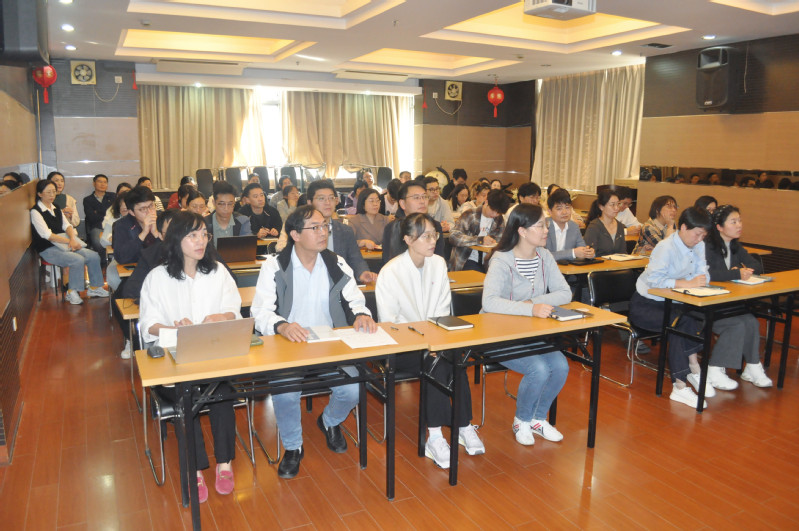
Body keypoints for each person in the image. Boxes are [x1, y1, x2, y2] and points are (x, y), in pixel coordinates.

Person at [251, 205, 377, 479]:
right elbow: (259, 312)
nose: (323, 232)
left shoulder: (335, 262)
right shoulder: (275, 266)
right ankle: (293, 447)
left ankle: (329, 421)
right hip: (288, 345)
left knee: (353, 389)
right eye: (315, 227)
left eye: (325, 226)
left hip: (327, 344)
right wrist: (282, 326)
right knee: (286, 394)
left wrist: (361, 314)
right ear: (295, 235)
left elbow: (355, 299)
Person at [139, 211, 241, 503]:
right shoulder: (157, 278)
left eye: (204, 235)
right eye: (193, 235)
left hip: (213, 356)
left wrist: (222, 316)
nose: (201, 241)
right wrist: (172, 328)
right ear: (176, 239)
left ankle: (224, 463)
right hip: (174, 361)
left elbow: (234, 310)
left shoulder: (218, 271)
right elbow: (148, 325)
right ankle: (194, 468)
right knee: (187, 396)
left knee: (222, 392)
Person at [376, 213, 484, 468]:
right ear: (407, 239)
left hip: (435, 340)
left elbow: (443, 310)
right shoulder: (390, 272)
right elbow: (390, 324)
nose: (433, 240)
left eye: (434, 234)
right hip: (402, 347)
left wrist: (436, 343)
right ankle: (435, 436)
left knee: (454, 358)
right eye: (425, 236)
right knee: (436, 362)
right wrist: (427, 345)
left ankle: (463, 426)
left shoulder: (438, 263)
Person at [482, 204, 570, 445]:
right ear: (522, 231)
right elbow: (489, 302)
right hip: (497, 334)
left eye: (546, 225)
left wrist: (534, 302)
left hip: (530, 332)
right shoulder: (501, 260)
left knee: (560, 366)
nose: (546, 230)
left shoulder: (545, 256)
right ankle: (521, 420)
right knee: (538, 369)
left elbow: (565, 292)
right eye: (540, 225)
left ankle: (537, 419)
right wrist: (530, 309)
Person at [629, 207, 714, 408]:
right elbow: (655, 281)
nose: (700, 239)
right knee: (678, 323)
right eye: (697, 234)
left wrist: (699, 280)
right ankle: (680, 385)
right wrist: (687, 283)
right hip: (646, 305)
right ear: (683, 227)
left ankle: (692, 369)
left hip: (674, 303)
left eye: (703, 235)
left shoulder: (698, 245)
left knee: (690, 318)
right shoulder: (665, 247)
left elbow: (703, 274)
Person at [705, 204, 772, 387]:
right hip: (709, 303)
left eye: (739, 220)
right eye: (733, 222)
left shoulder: (735, 246)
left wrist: (745, 270)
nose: (739, 225)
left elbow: (756, 265)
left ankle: (752, 366)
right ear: (719, 227)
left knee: (751, 321)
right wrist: (735, 273)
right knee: (737, 324)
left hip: (728, 301)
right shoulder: (708, 247)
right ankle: (714, 369)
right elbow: (708, 275)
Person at [277, 180, 377, 283]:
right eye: (321, 198)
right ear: (309, 202)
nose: (328, 203)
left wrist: (362, 273)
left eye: (331, 198)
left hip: (336, 284)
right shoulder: (296, 226)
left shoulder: (345, 230)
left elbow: (356, 259)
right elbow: (282, 251)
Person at [30, 180, 108, 305]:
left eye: (54, 192)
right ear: (39, 194)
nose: (52, 195)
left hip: (64, 244)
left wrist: (72, 239)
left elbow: (67, 226)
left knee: (93, 255)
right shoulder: (35, 211)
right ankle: (72, 292)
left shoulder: (55, 208)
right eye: (48, 192)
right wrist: (69, 241)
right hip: (48, 248)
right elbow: (47, 235)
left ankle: (94, 288)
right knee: (77, 259)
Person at [382, 181, 445, 264]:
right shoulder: (392, 228)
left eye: (424, 196)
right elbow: (389, 261)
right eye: (416, 197)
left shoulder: (435, 225)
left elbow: (438, 257)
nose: (422, 201)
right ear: (402, 203)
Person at [449, 189, 510, 272]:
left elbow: (501, 240)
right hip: (467, 259)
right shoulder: (470, 214)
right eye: (493, 210)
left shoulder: (499, 219)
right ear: (486, 202)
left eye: (498, 213)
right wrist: (479, 240)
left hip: (489, 260)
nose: (495, 215)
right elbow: (453, 237)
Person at [544, 188, 594, 260]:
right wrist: (573, 253)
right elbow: (543, 256)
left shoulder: (574, 227)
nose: (564, 212)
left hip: (569, 267)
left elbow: (582, 248)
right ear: (550, 211)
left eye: (567, 207)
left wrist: (589, 253)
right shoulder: (543, 226)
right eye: (559, 208)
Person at [204, 181, 252, 247]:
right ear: (214, 203)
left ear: (234, 203)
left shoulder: (243, 221)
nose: (226, 208)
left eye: (230, 204)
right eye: (222, 204)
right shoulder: (204, 223)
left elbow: (247, 248)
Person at [83, 174, 115, 263]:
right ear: (94, 183)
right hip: (97, 227)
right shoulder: (88, 200)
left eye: (105, 182)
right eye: (100, 182)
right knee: (98, 243)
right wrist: (107, 214)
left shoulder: (113, 196)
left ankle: (114, 262)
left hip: (112, 226)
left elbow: (115, 213)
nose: (102, 184)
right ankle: (103, 264)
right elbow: (92, 217)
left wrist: (98, 212)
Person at [583, 189, 626, 256]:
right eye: (612, 205)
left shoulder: (620, 226)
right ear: (601, 207)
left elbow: (623, 252)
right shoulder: (594, 227)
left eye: (618, 204)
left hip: (617, 262)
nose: (617, 208)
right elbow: (588, 253)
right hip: (600, 262)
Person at [101, 192, 129, 291]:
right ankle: (120, 295)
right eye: (121, 205)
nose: (124, 208)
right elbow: (103, 241)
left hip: (139, 257)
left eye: (127, 205)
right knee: (113, 274)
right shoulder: (114, 220)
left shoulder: (141, 220)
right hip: (120, 257)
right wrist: (113, 239)